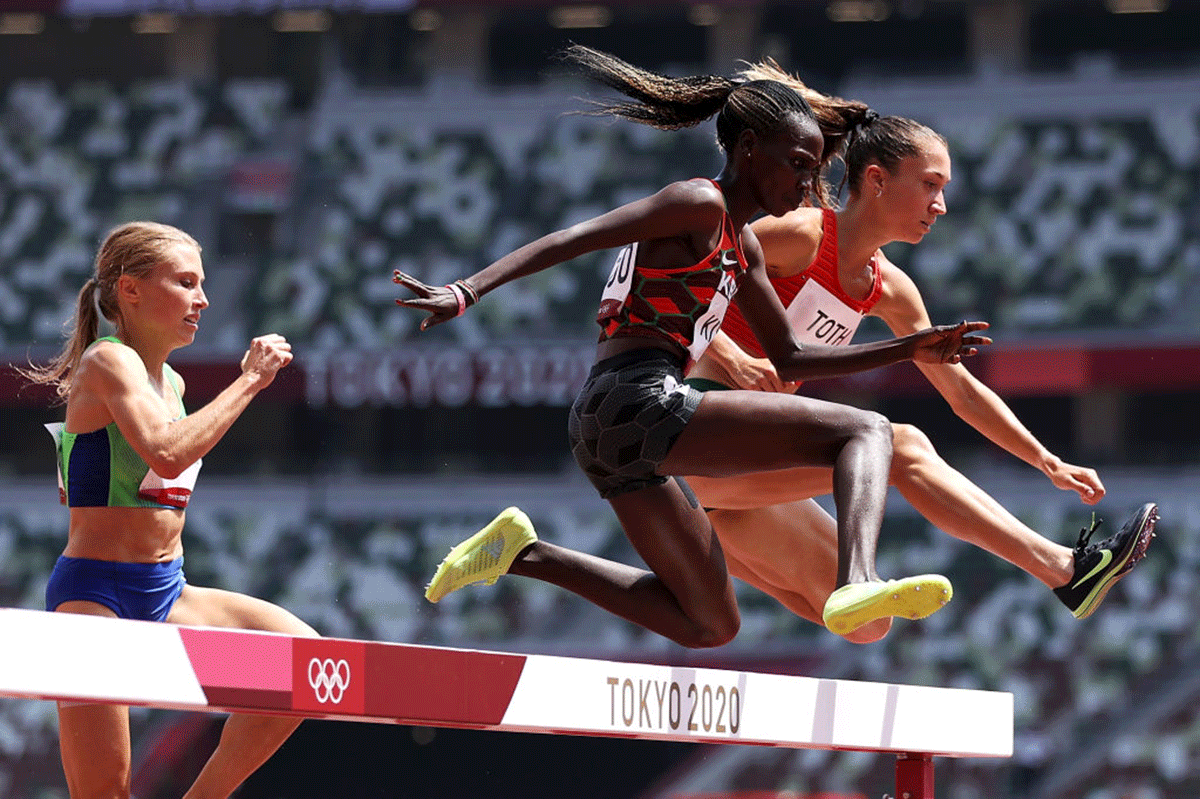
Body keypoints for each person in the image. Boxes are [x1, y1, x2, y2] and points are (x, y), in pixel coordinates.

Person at [394, 45, 991, 646]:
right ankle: (855, 580)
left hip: (613, 430)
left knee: (710, 624)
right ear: (750, 150)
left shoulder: (744, 243)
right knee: (869, 433)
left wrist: (912, 348)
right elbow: (574, 239)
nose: (809, 183)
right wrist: (467, 291)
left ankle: (524, 554)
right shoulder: (697, 203)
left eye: (814, 168)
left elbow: (791, 360)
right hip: (639, 398)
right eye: (796, 163)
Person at [681, 61, 1158, 643]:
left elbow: (960, 391)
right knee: (897, 444)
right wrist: (730, 357)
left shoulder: (891, 289)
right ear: (877, 180)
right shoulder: (802, 236)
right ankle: (1066, 570)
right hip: (693, 435)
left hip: (740, 475)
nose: (941, 204)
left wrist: (1046, 461)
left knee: (867, 624)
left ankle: (697, 547)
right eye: (930, 184)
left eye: (944, 189)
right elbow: (679, 284)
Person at [21, 221, 317, 799]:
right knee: (105, 793)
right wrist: (250, 381)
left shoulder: (173, 381)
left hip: (166, 593)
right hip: (96, 601)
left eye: (202, 284)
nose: (203, 299)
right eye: (185, 283)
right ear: (130, 290)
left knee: (298, 672)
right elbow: (165, 451)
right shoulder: (108, 362)